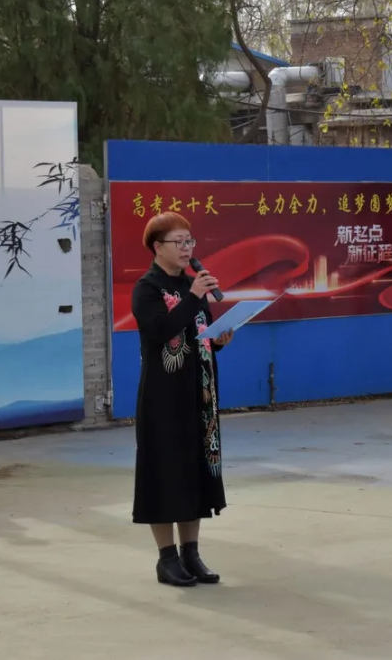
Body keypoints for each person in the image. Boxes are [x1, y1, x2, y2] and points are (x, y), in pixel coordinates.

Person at [131, 211, 233, 587]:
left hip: (198, 394)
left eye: (190, 241)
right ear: (158, 247)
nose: (187, 248)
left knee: (194, 472)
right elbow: (161, 331)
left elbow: (196, 333)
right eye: (179, 242)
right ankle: (167, 558)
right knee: (165, 474)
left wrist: (218, 339)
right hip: (163, 400)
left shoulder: (193, 286)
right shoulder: (147, 288)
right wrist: (193, 297)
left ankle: (192, 554)